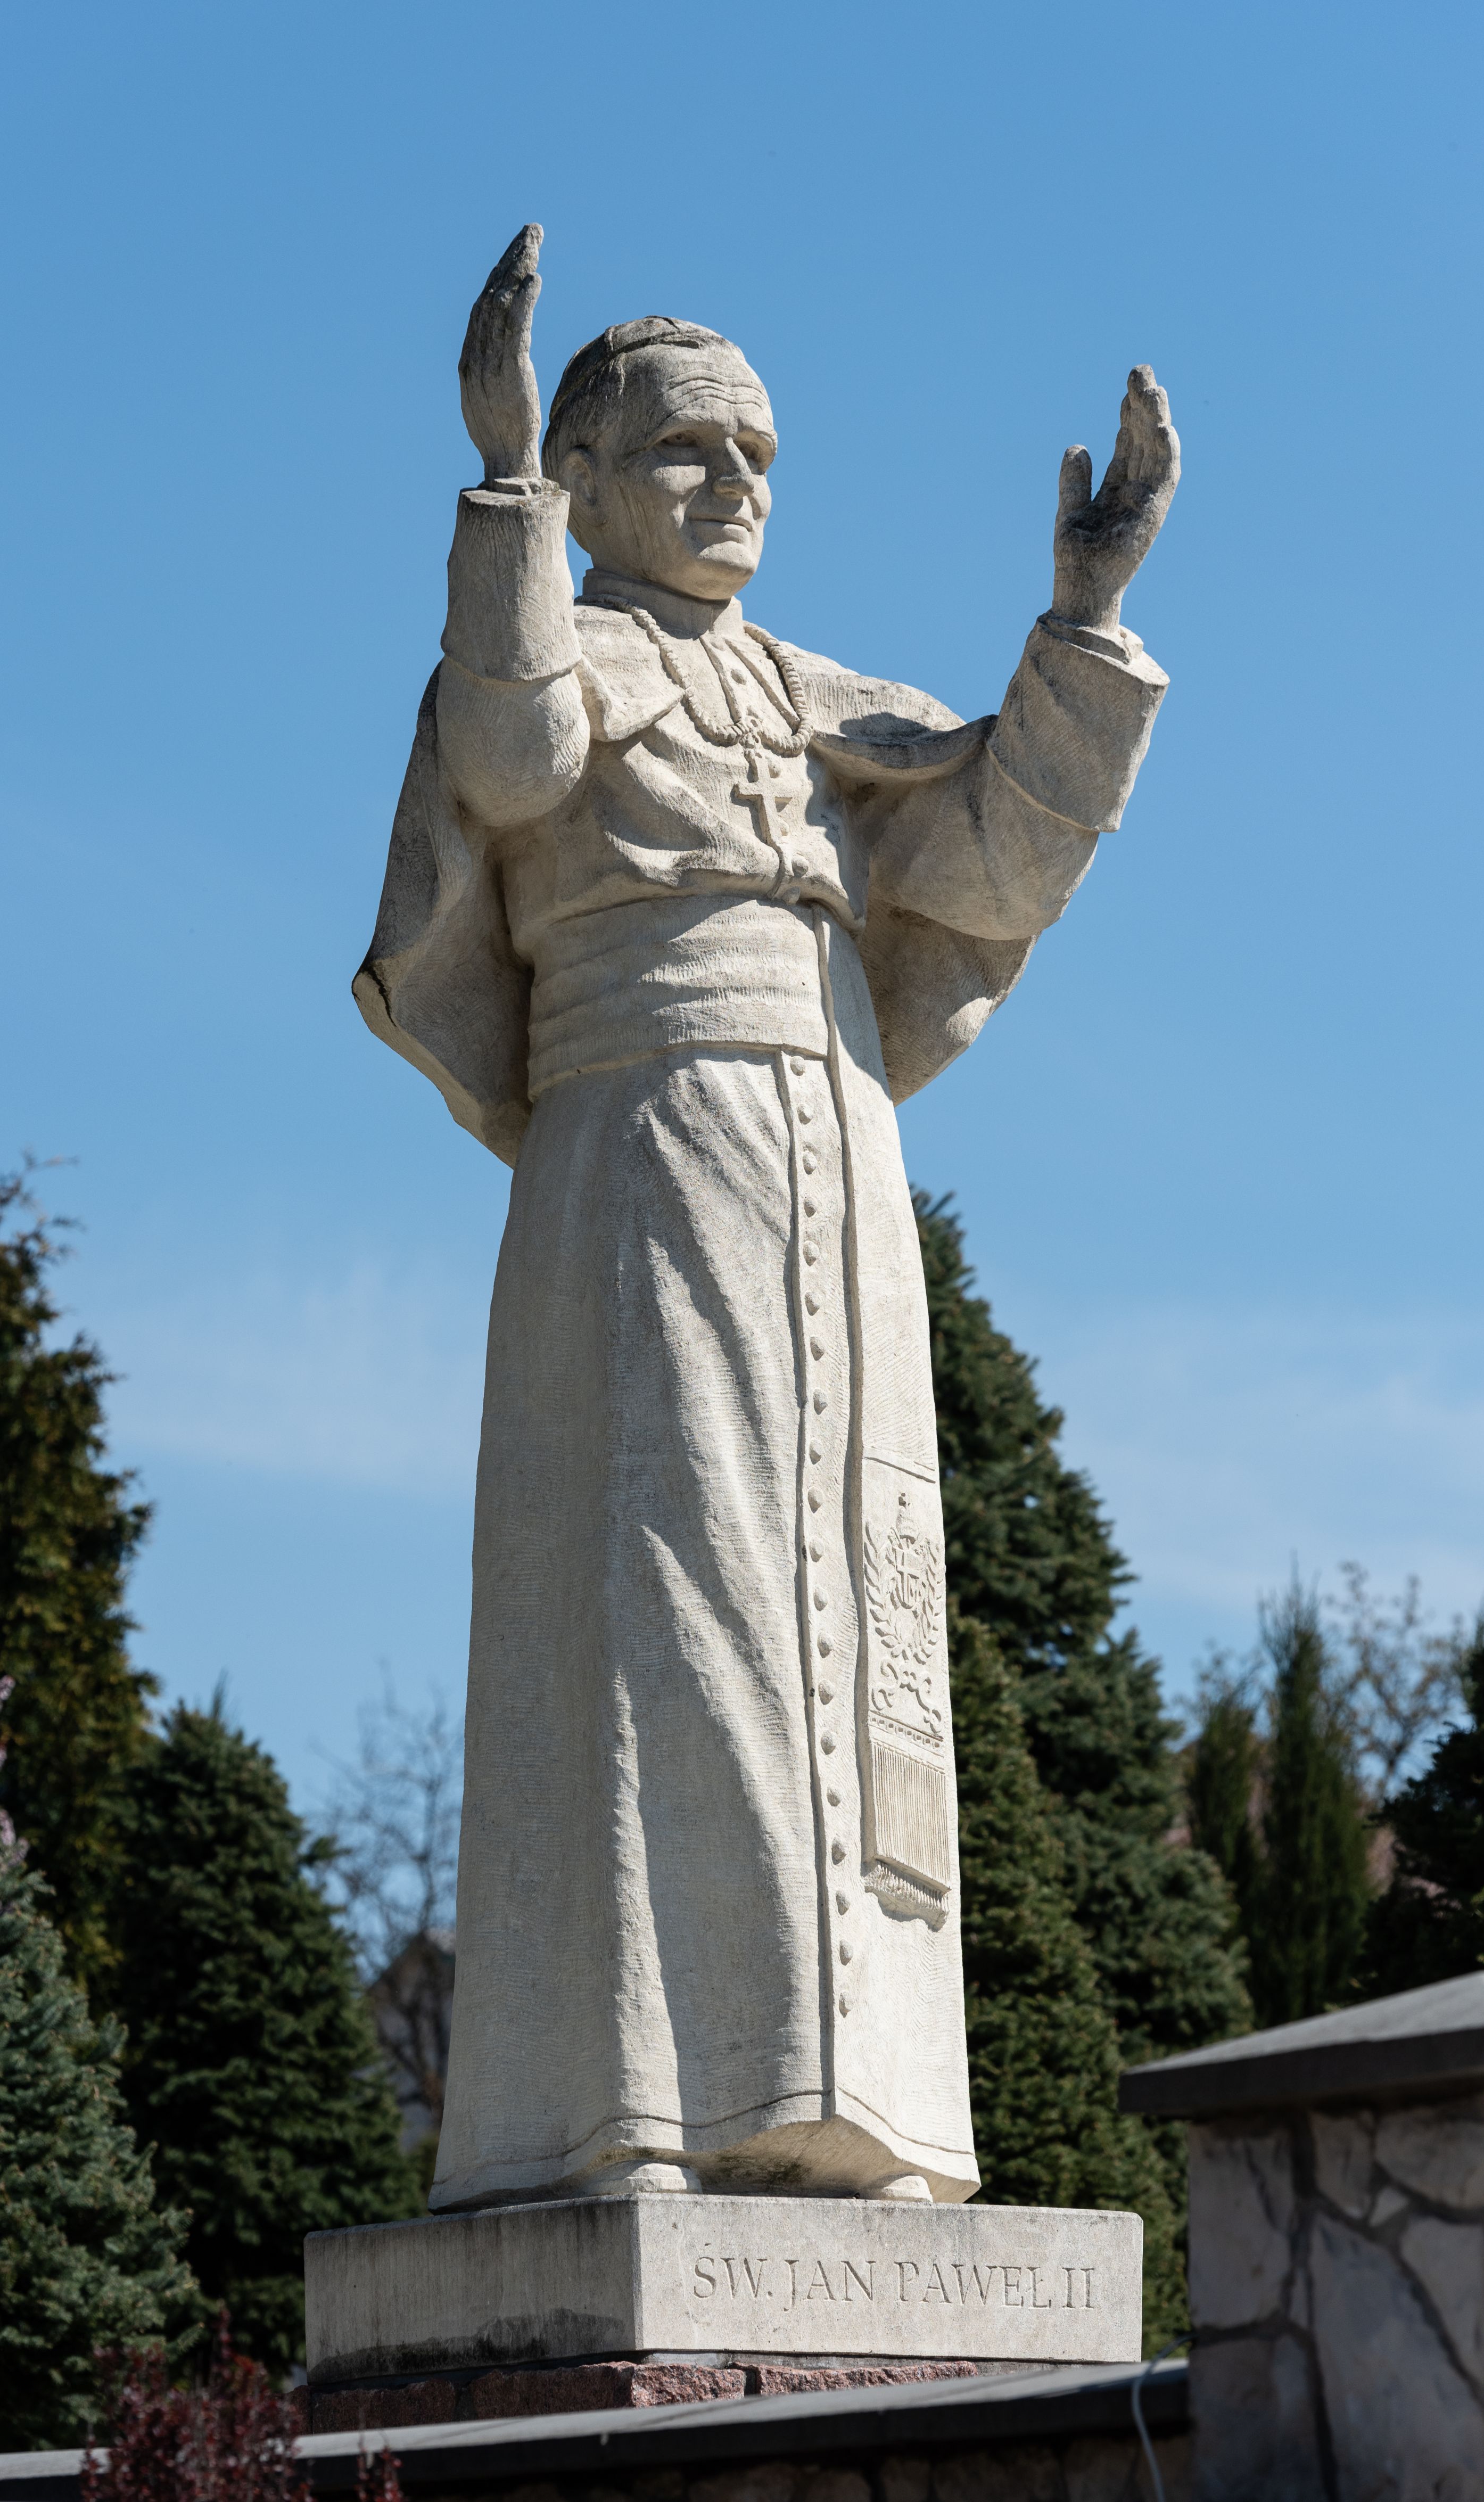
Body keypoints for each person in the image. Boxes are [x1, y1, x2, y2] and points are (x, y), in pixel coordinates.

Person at [356, 226, 1179, 2212]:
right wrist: (501, 489)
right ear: (588, 477)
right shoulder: (548, 654)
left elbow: (990, 867)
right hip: (643, 1152)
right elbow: (513, 754)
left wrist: (1082, 619)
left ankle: (863, 2111)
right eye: (686, 450)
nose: (735, 484)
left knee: (864, 1632)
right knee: (671, 1601)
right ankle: (635, 2107)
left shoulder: (817, 699)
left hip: (837, 1164)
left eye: (762, 456)